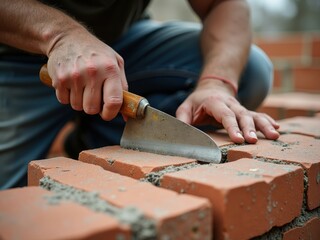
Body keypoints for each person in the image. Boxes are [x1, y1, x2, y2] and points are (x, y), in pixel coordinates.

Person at [0, 0, 280, 189]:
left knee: (251, 72)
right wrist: (60, 36)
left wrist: (216, 83)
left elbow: (224, 4)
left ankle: (94, 137)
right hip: (17, 53)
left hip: (125, 44)